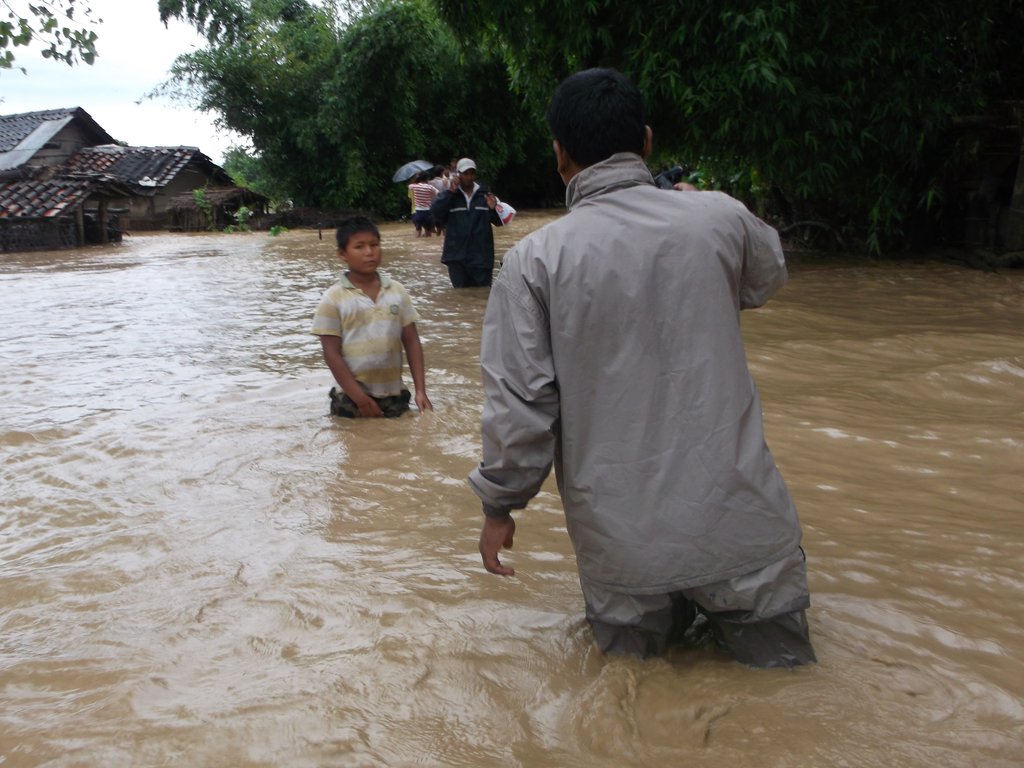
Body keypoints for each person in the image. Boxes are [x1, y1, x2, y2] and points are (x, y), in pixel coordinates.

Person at [468, 68, 816, 668]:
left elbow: (520, 408)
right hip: (743, 529)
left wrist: (501, 506)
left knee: (631, 700)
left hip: (623, 551)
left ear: (560, 155)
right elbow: (767, 276)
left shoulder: (533, 261)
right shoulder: (719, 219)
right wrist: (703, 214)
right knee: (787, 693)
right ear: (647, 142)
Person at [312, 216, 432, 418]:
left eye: (374, 245)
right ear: (343, 254)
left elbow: (412, 342)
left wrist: (421, 391)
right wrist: (360, 399)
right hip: (349, 398)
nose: (369, 252)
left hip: (394, 393)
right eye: (359, 247)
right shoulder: (333, 299)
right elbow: (331, 355)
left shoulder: (397, 292)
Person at [430, 157, 503, 287]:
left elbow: (499, 222)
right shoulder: (450, 195)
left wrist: (493, 209)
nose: (469, 177)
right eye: (465, 173)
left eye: (472, 173)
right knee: (460, 297)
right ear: (458, 175)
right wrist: (450, 193)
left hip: (481, 259)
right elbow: (435, 212)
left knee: (482, 296)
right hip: (456, 258)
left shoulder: (485, 195)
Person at [407, 172, 438, 237]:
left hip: (417, 212)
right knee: (428, 233)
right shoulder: (430, 187)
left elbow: (409, 186)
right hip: (428, 212)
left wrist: (416, 177)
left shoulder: (413, 186)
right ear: (427, 178)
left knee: (418, 231)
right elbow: (438, 194)